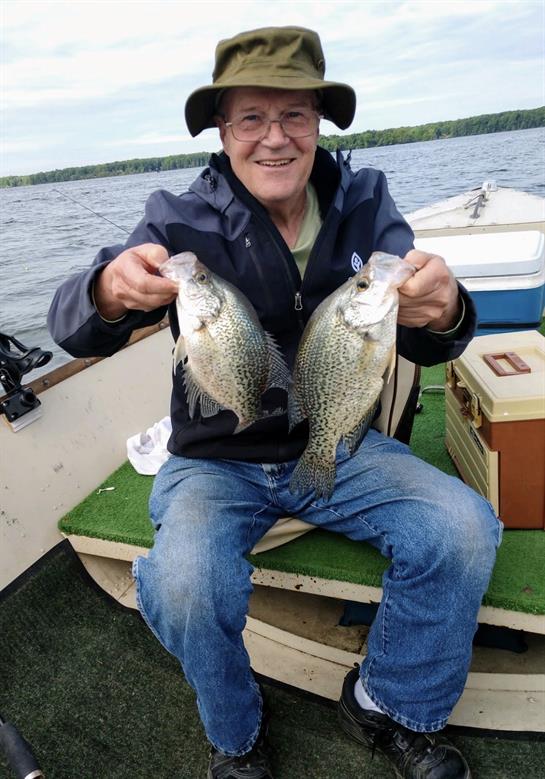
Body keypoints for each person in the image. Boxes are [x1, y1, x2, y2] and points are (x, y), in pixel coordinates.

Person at [48, 26, 501, 779]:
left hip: (337, 439)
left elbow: (427, 342)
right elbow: (75, 325)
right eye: (251, 118)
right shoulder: (177, 219)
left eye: (293, 114)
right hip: (215, 461)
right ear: (222, 131)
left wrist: (447, 308)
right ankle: (237, 733)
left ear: (318, 123)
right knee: (184, 582)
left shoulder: (366, 201)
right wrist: (104, 289)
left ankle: (389, 701)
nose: (274, 138)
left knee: (459, 530)